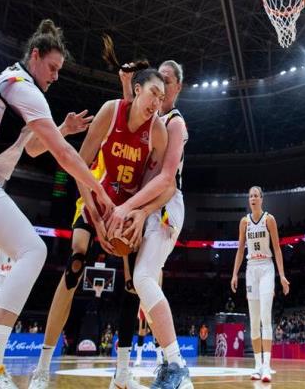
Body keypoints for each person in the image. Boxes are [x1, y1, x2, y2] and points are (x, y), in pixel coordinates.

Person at [0, 19, 113, 389]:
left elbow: (31, 148)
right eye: (53, 67)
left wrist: (62, 128)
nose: (56, 76)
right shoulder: (24, 88)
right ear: (35, 55)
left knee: (29, 249)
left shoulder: (14, 82)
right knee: (32, 249)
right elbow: (63, 154)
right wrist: (98, 189)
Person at [29, 57, 167, 389]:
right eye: (154, 93)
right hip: (95, 198)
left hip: (128, 212)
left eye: (162, 98)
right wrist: (95, 213)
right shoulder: (111, 111)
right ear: (137, 90)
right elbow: (80, 164)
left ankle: (122, 372)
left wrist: (135, 217)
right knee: (75, 264)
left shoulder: (158, 132)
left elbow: (153, 186)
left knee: (133, 284)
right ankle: (42, 368)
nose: (157, 103)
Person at [111, 60, 192, 389]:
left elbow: (167, 179)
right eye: (158, 82)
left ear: (177, 88)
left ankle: (177, 364)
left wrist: (132, 208)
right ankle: (168, 363)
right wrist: (127, 87)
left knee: (143, 277)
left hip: (164, 207)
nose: (162, 87)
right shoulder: (151, 120)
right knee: (140, 287)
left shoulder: (175, 123)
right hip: (143, 209)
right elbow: (128, 125)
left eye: (168, 82)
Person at [230, 186, 290, 383]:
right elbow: (240, 250)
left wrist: (282, 276)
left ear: (262, 199)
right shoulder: (244, 222)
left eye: (256, 195)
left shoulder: (269, 219)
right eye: (250, 196)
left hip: (266, 267)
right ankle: (257, 366)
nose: (253, 198)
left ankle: (266, 366)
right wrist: (234, 274)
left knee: (265, 317)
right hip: (251, 269)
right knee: (254, 321)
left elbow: (277, 249)